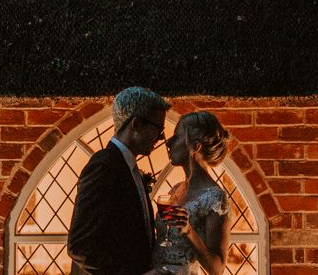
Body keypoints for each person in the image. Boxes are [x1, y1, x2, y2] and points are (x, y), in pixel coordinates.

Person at [67, 86, 171, 275]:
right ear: (136, 124)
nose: (161, 138)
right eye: (158, 129)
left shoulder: (126, 166)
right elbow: (81, 246)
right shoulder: (104, 167)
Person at [152, 111, 231, 275]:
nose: (169, 142)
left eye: (177, 136)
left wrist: (188, 231)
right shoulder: (175, 189)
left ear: (195, 147)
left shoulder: (216, 198)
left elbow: (217, 268)